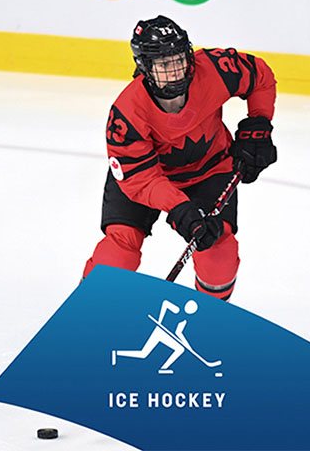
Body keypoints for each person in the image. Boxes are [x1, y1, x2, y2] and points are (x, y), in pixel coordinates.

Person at [80, 15, 277, 302]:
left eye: (178, 60)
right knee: (119, 250)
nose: (175, 71)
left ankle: (208, 313)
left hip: (210, 170)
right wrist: (179, 207)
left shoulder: (213, 69)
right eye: (163, 65)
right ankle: (89, 309)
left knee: (218, 253)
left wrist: (258, 126)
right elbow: (141, 179)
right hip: (147, 179)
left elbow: (260, 76)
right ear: (145, 67)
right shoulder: (127, 114)